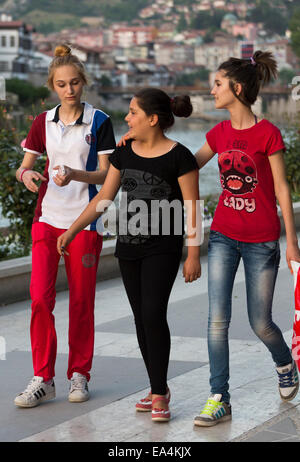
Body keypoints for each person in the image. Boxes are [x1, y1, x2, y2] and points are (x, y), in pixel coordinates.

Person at [57, 88, 201, 422]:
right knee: (140, 318)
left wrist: (193, 254)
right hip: (129, 248)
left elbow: (192, 208)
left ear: (152, 119)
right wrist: (73, 229)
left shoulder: (181, 157)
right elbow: (103, 199)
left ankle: (159, 392)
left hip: (163, 247)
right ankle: (157, 389)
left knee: (153, 314)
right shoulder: (124, 154)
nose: (127, 117)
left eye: (133, 112)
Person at [193, 51, 300, 427]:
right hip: (223, 234)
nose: (213, 90)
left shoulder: (267, 133)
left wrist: (291, 242)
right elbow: (188, 166)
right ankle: (219, 397)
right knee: (216, 320)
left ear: (236, 89)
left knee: (261, 323)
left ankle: (284, 361)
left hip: (262, 240)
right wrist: (144, 145)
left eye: (218, 84)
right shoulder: (218, 133)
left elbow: (283, 190)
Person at [14, 44, 116, 407]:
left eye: (74, 83)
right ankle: (43, 378)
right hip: (47, 222)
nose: (69, 89)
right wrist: (27, 175)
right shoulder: (42, 122)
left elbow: (106, 174)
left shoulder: (100, 121)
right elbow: (24, 165)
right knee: (40, 299)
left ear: (83, 83)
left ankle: (79, 375)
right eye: (62, 84)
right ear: (52, 86)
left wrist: (75, 174)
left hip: (85, 225)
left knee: (81, 302)